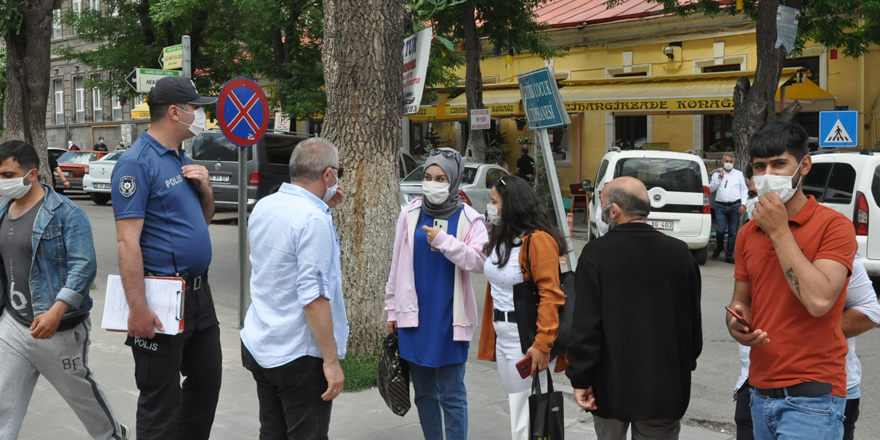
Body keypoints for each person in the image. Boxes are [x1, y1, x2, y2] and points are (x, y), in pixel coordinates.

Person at [727, 121, 856, 440]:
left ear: (804, 165)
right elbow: (741, 300)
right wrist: (736, 323)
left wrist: (779, 230)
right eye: (760, 166)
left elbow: (819, 301)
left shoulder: (834, 227)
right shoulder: (747, 233)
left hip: (813, 396)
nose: (768, 174)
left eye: (779, 163)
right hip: (760, 390)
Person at [111, 75, 220, 440]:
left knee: (206, 382)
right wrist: (137, 308)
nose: (200, 115)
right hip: (162, 297)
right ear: (175, 112)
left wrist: (206, 189)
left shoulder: (181, 157)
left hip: (199, 296)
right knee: (161, 399)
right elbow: (128, 242)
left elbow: (202, 222)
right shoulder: (136, 164)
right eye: (195, 109)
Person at [0, 141, 127, 439]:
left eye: (8, 175)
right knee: (3, 403)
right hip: (14, 325)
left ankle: (113, 434)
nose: (2, 182)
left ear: (31, 174)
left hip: (59, 329)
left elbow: (83, 268)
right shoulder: (3, 210)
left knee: (82, 398)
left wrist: (56, 312)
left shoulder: (67, 214)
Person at [567, 176, 702, 440]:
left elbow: (585, 327)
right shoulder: (680, 253)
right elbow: (691, 324)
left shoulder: (596, 254)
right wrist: (683, 366)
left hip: (610, 387)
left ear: (614, 211)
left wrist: (581, 378)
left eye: (603, 204)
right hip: (665, 388)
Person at [241, 138, 349, 440]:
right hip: (299, 354)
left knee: (272, 431)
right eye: (339, 172)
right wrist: (330, 361)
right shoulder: (312, 219)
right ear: (328, 175)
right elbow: (313, 298)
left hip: (262, 341)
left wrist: (323, 207)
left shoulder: (266, 204)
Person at [385, 147, 489, 440]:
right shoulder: (410, 213)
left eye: (441, 178)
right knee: (425, 394)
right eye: (428, 177)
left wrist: (446, 242)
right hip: (414, 318)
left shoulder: (470, 218)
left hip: (449, 317)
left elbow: (480, 262)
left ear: (453, 180)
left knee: (452, 394)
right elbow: (396, 265)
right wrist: (391, 309)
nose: (433, 183)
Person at [732, 253, 880, 440]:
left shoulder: (833, 236)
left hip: (820, 394)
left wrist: (793, 334)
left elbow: (868, 312)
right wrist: (736, 321)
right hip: (756, 387)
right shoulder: (751, 235)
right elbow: (741, 301)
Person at [477, 175, 568, 440]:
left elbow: (550, 295)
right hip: (503, 336)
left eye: (494, 201)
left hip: (527, 339)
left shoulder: (538, 240)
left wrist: (542, 344)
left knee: (530, 415)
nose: (490, 206)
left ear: (512, 205)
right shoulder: (503, 236)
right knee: (518, 409)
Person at [709, 153, 747, 263]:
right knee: (720, 230)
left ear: (734, 162)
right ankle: (719, 246)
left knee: (733, 232)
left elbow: (743, 189)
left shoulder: (738, 174)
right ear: (723, 162)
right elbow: (711, 189)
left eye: (731, 161)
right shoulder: (716, 174)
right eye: (726, 161)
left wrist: (743, 204)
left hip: (735, 205)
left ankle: (729, 255)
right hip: (720, 205)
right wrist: (719, 179)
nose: (728, 163)